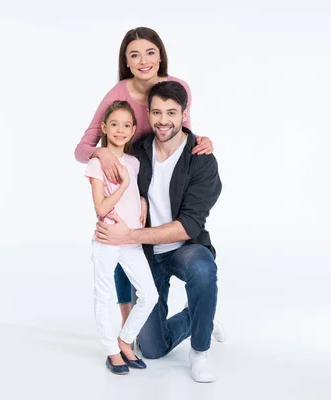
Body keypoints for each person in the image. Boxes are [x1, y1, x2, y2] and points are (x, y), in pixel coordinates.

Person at [75, 26, 214, 326]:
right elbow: (82, 148)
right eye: (134, 55)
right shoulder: (117, 94)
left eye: (150, 52)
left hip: (162, 180)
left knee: (171, 244)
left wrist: (202, 140)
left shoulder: (179, 86)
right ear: (126, 61)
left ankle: (202, 314)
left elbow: (181, 130)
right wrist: (102, 153)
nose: (143, 60)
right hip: (126, 183)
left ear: (161, 55)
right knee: (120, 245)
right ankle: (128, 325)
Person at [94, 81, 223, 382]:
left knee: (203, 269)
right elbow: (104, 150)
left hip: (185, 247)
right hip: (148, 254)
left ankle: (201, 349)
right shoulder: (137, 150)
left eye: (171, 112)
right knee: (152, 348)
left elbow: (188, 225)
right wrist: (100, 155)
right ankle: (200, 316)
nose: (163, 120)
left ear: (184, 114)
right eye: (156, 112)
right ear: (148, 114)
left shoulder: (201, 159)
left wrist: (127, 236)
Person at [85, 100, 158, 375]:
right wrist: (124, 184)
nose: (120, 130)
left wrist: (142, 201)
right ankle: (111, 350)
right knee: (103, 297)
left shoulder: (135, 162)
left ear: (133, 129)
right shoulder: (97, 163)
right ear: (104, 127)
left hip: (131, 240)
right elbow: (101, 208)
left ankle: (124, 340)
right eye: (114, 124)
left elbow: (136, 194)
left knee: (149, 295)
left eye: (126, 125)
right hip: (106, 241)